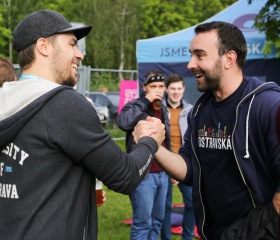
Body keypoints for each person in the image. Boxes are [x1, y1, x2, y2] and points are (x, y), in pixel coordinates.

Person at [0, 10, 166, 240]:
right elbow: (125, 177)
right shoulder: (64, 103)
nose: (80, 55)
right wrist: (149, 142)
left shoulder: (5, 98)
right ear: (43, 46)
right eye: (72, 44)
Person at [133, 21, 280, 240]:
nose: (191, 64)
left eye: (200, 55)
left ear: (229, 59)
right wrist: (154, 145)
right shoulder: (199, 111)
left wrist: (256, 231)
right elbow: (189, 169)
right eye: (191, 55)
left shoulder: (268, 105)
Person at [117, 70, 171, 240]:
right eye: (153, 86)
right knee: (143, 223)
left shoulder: (163, 108)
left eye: (161, 86)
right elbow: (123, 122)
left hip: (162, 174)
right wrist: (146, 99)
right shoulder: (136, 106)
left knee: (157, 221)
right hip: (143, 175)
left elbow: (165, 141)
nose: (157, 90)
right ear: (144, 87)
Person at [161, 73, 195, 240]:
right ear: (167, 89)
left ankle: (187, 237)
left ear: (183, 89)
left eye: (179, 89)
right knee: (164, 207)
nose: (176, 92)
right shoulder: (158, 110)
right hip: (163, 164)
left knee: (192, 204)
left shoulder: (191, 111)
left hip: (185, 164)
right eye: (172, 88)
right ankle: (166, 237)